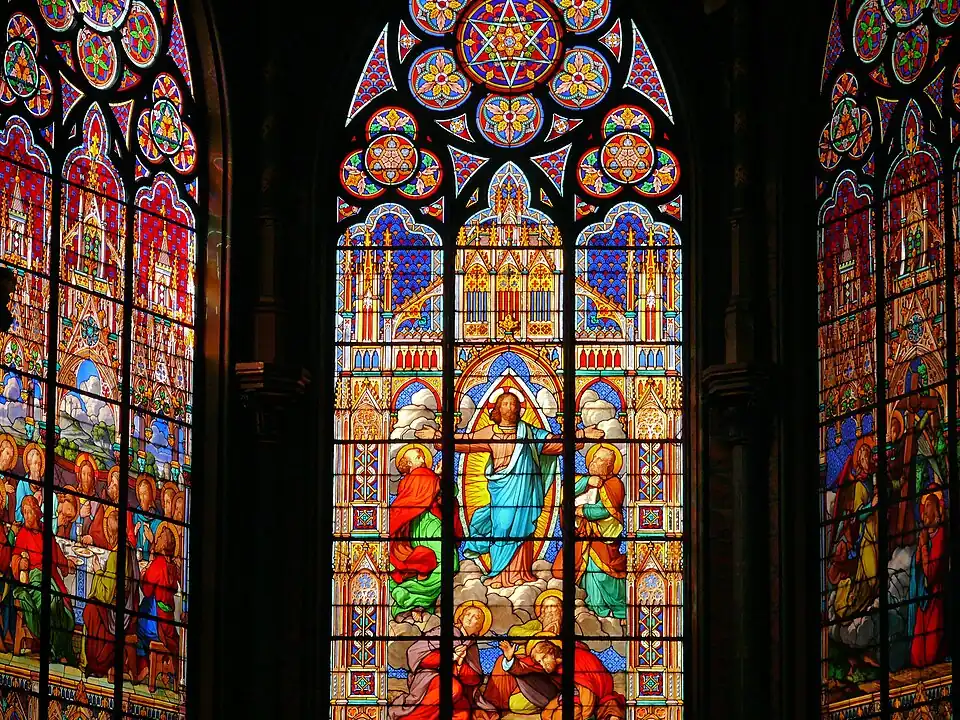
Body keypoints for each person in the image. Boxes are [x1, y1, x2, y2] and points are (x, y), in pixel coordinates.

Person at [417, 389, 603, 587]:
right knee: (502, 527)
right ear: (497, 409)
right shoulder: (490, 432)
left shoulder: (530, 432)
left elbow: (555, 444)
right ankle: (498, 574)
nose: (510, 407)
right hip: (501, 489)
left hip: (524, 493)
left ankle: (522, 574)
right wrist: (437, 435)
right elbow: (465, 442)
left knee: (523, 528)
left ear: (520, 410)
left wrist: (581, 434)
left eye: (514, 404)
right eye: (505, 403)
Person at [554, 444, 627, 622]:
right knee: (588, 575)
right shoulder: (585, 480)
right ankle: (597, 611)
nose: (594, 462)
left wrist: (582, 510)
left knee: (605, 574)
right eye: (593, 458)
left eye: (599, 460)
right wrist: (586, 482)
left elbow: (605, 510)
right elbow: (564, 494)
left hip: (604, 540)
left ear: (610, 466)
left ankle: (620, 611)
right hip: (584, 536)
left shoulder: (615, 484)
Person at [388, 445, 461, 621]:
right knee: (447, 562)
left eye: (422, 455)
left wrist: (440, 479)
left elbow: (445, 496)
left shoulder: (424, 478)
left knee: (446, 563)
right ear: (407, 464)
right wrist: (438, 476)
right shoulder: (419, 477)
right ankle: (412, 598)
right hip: (423, 525)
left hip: (429, 523)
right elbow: (424, 494)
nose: (423, 458)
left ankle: (419, 602)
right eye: (417, 456)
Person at [389, 601, 498, 720]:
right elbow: (418, 655)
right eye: (468, 614)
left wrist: (460, 663)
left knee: (463, 714)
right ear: (461, 617)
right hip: (429, 677)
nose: (470, 618)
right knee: (452, 688)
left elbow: (473, 680)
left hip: (458, 689)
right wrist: (451, 656)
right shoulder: (442, 632)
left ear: (480, 626)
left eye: (476, 617)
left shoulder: (471, 647)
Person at [11, 496, 78, 664]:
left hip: (49, 578)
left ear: (36, 513)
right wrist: (21, 563)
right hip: (33, 583)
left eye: (29, 512)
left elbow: (56, 553)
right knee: (53, 599)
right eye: (24, 512)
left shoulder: (45, 531)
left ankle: (59, 648)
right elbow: (14, 559)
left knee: (61, 604)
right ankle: (57, 649)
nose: (26, 516)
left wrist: (66, 564)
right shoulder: (23, 535)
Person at [82, 508, 140, 679]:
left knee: (90, 609)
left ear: (110, 532)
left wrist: (98, 571)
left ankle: (98, 663)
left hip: (117, 613)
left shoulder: (116, 555)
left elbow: (106, 595)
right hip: (129, 607)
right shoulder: (130, 550)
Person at [484, 590, 563, 714]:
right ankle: (495, 703)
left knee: (517, 705)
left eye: (554, 607)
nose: (550, 611)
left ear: (562, 611)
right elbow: (513, 632)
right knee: (502, 663)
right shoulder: (535, 624)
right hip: (525, 668)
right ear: (541, 611)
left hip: (546, 679)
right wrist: (538, 634)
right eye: (546, 607)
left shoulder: (566, 629)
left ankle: (554, 700)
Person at [523, 638, 626, 720]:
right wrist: (510, 660)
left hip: (586, 697)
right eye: (539, 661)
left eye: (544, 658)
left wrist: (585, 717)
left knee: (560, 715)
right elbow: (525, 666)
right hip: (568, 695)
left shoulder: (576, 660)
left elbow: (587, 692)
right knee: (546, 714)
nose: (543, 664)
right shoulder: (554, 665)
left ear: (552, 652)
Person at [136, 524, 180, 682]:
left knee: (135, 625)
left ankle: (143, 665)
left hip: (155, 621)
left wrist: (143, 575)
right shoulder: (173, 567)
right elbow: (174, 588)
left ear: (163, 543)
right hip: (167, 620)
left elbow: (147, 590)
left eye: (160, 537)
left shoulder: (159, 564)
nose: (158, 538)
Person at [908, 493, 948, 667]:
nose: (924, 510)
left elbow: (930, 574)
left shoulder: (941, 537)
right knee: (917, 657)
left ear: (938, 511)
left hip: (936, 599)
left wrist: (924, 546)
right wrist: (921, 547)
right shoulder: (925, 535)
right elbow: (916, 567)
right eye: (923, 505)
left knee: (931, 656)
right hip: (923, 600)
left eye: (929, 504)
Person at [132, 475, 159, 564]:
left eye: (145, 494)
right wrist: (134, 532)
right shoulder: (136, 515)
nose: (142, 499)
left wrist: (152, 540)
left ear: (151, 495)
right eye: (140, 494)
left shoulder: (158, 522)